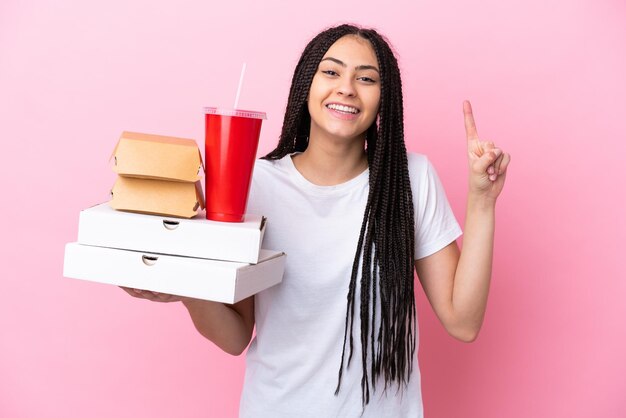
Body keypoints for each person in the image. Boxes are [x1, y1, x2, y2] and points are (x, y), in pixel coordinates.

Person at [122, 23, 510, 417]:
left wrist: (482, 200)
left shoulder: (410, 179)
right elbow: (236, 335)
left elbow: (463, 322)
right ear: (306, 83)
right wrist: (189, 289)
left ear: (384, 99)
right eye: (331, 71)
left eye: (366, 78)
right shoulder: (253, 185)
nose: (346, 88)